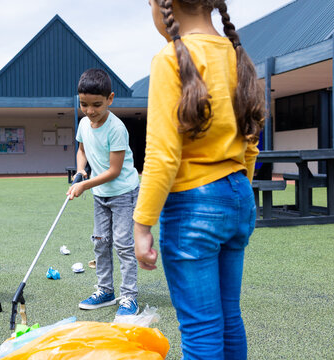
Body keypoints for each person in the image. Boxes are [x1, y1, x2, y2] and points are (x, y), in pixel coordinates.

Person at [133, 1, 265, 359]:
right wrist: (237, 189)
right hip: (238, 194)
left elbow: (162, 154)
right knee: (228, 317)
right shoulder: (237, 55)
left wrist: (142, 224)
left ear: (166, 5)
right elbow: (250, 141)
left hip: (193, 203)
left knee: (201, 329)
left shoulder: (169, 58)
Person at [67, 68, 141, 316]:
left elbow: (115, 171)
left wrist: (83, 185)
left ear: (110, 98)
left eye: (96, 104)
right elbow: (82, 149)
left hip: (123, 193)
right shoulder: (83, 124)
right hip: (101, 194)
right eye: (84, 104)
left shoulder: (116, 128)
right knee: (100, 242)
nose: (89, 111)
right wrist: (80, 170)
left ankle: (129, 297)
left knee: (123, 244)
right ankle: (106, 291)